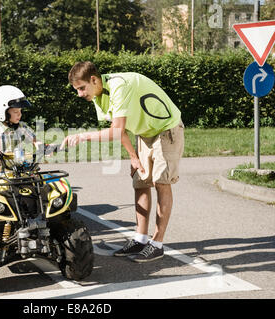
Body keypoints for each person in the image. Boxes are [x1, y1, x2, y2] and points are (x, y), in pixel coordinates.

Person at [61, 61, 184, 262]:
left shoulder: (119, 86)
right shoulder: (98, 96)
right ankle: (140, 239)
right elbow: (120, 130)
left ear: (94, 79)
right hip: (145, 133)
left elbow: (116, 130)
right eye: (77, 90)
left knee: (161, 182)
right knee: (140, 182)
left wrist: (83, 136)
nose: (80, 94)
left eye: (82, 88)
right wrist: (134, 158)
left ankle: (157, 244)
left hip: (166, 128)